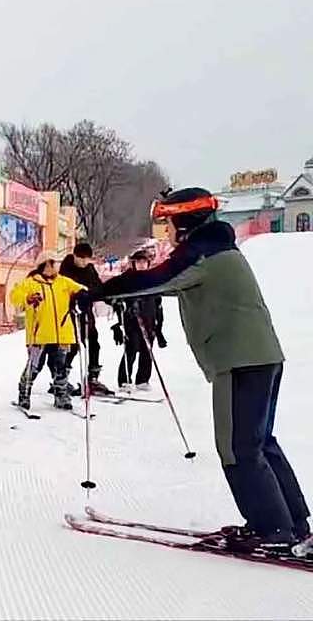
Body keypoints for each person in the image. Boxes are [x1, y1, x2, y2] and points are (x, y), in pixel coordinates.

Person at [82, 186, 310, 551]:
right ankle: (293, 523)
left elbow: (155, 279)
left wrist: (96, 291)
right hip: (261, 358)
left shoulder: (202, 254)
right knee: (259, 442)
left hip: (239, 361)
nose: (167, 231)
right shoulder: (218, 251)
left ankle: (273, 531)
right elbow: (167, 284)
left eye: (169, 223)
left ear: (185, 222)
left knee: (238, 449)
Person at [10, 252, 87, 411]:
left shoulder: (63, 282)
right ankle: (24, 393)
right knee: (34, 366)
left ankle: (61, 395)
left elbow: (80, 289)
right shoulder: (30, 283)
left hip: (62, 332)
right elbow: (15, 296)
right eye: (55, 263)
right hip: (39, 334)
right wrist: (29, 298)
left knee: (62, 367)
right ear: (46, 264)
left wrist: (82, 295)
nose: (58, 266)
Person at [56, 242, 112, 396]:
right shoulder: (66, 268)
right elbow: (63, 288)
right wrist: (76, 296)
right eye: (81, 259)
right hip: (70, 312)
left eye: (87, 259)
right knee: (73, 346)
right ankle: (61, 379)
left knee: (94, 342)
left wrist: (91, 293)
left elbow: (98, 286)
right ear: (74, 256)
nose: (83, 262)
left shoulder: (89, 269)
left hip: (86, 311)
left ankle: (93, 378)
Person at [111, 250, 166, 391]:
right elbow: (114, 296)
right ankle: (125, 380)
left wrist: (158, 327)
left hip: (149, 321)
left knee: (147, 351)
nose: (141, 265)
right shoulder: (127, 279)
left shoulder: (152, 279)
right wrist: (120, 304)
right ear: (133, 263)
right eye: (138, 262)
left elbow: (158, 304)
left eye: (144, 262)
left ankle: (142, 380)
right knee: (131, 349)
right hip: (131, 322)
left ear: (148, 264)